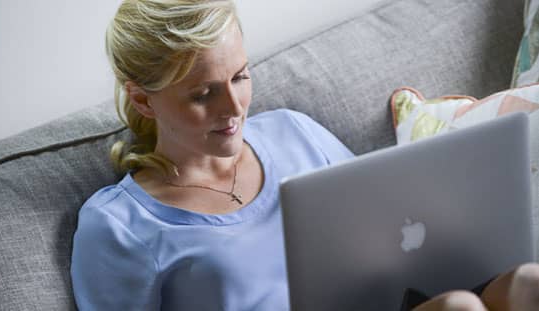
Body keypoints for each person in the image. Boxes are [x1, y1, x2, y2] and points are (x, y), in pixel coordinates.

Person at [70, 0, 539, 310]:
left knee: (525, 283)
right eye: (203, 94)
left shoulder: (292, 132)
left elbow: (391, 230)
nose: (234, 108)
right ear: (144, 100)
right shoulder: (119, 227)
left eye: (240, 77)